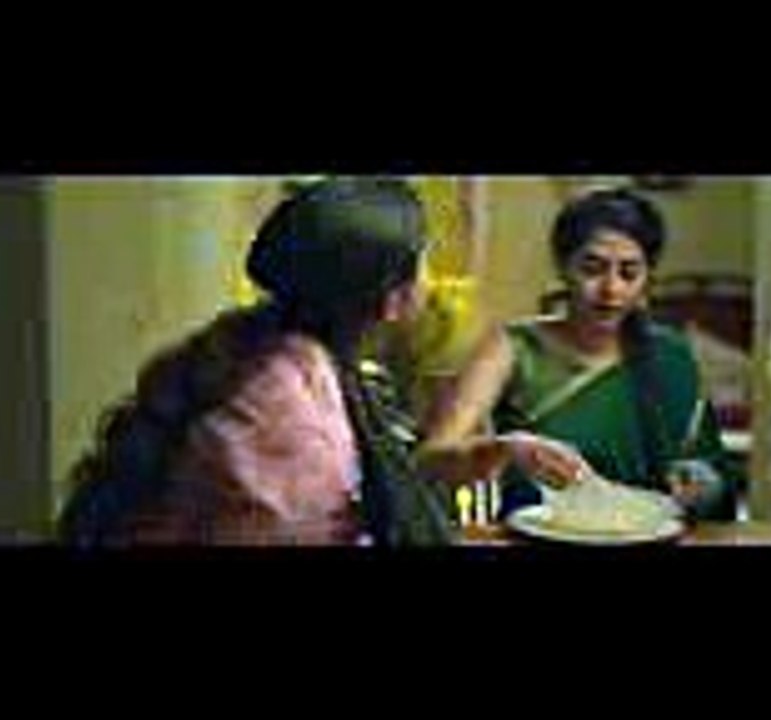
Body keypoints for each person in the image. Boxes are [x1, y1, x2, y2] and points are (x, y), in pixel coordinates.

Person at [57, 176, 583, 547]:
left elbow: (387, 488)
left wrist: (494, 453)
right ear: (391, 297)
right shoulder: (286, 423)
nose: (431, 279)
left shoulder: (282, 346)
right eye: (423, 261)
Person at [423, 186, 740, 522]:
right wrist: (502, 449)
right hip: (540, 534)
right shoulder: (513, 347)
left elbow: (711, 469)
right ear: (562, 267)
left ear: (647, 278)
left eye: (629, 273)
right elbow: (432, 460)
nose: (611, 289)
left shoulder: (669, 356)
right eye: (592, 269)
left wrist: (703, 484)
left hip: (647, 531)